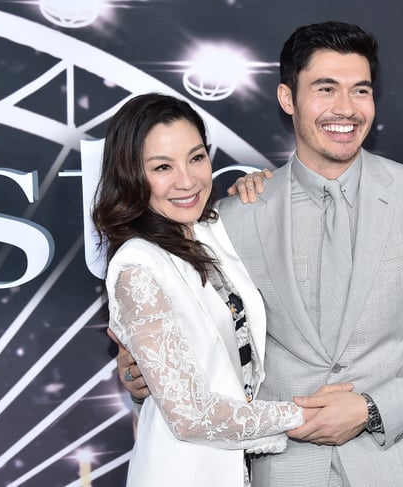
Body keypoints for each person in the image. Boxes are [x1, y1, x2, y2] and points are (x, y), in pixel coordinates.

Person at [117, 22, 403, 486]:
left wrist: (372, 409)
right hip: (283, 468)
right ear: (288, 99)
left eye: (361, 90)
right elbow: (203, 346)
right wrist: (142, 374)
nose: (345, 110)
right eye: (325, 89)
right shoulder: (229, 218)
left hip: (401, 466)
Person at [93, 93, 349, 487]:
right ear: (130, 176)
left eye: (196, 158)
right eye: (162, 167)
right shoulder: (136, 267)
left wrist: (262, 188)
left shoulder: (209, 231)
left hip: (241, 469)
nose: (187, 180)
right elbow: (190, 415)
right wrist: (308, 415)